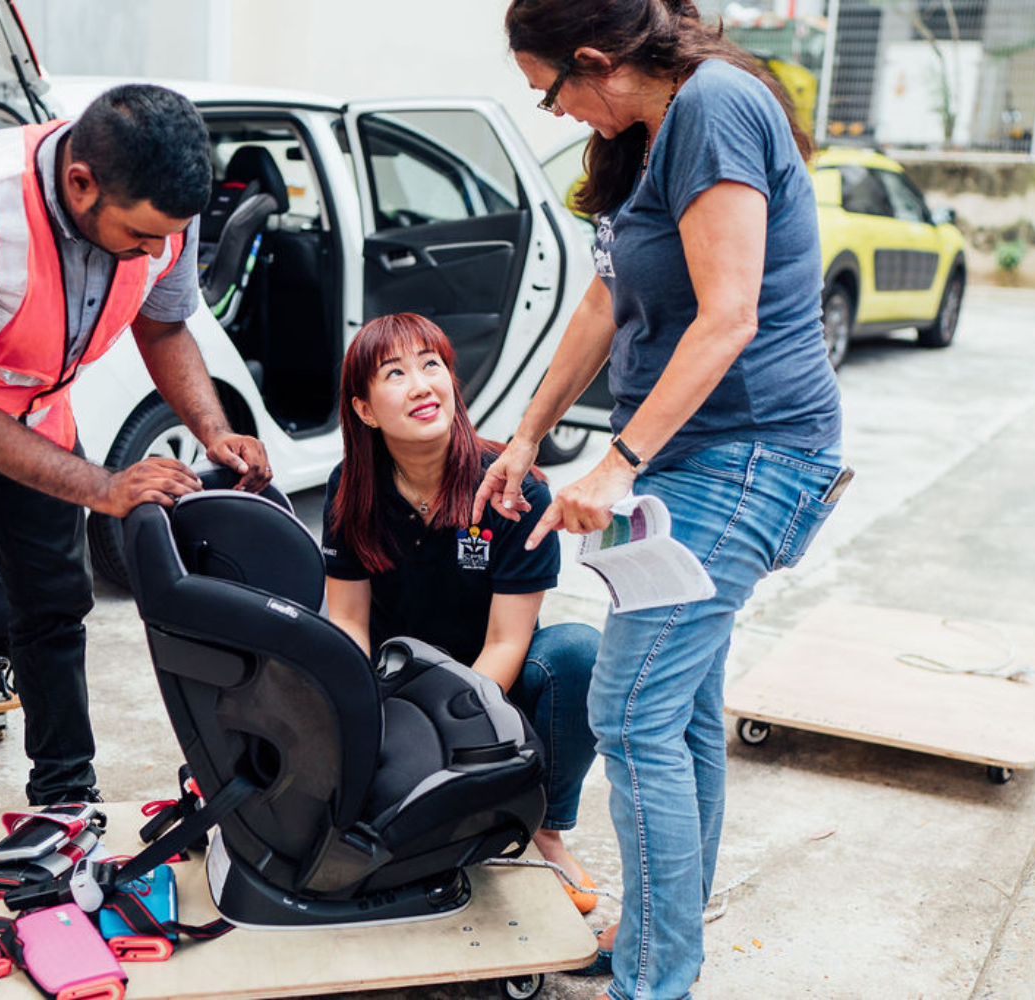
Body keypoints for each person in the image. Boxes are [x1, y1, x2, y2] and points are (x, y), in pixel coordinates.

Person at [0, 84, 271, 954]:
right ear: (79, 184)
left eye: (169, 237)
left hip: (33, 410)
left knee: (54, 607)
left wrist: (217, 429)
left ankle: (65, 796)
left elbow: (166, 323)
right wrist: (105, 486)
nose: (158, 250)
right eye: (143, 234)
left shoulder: (158, 213)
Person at [481, 2, 846, 997]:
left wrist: (618, 460)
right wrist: (526, 433)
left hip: (751, 454)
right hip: (693, 461)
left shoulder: (715, 107)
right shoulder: (649, 133)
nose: (552, 113)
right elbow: (604, 298)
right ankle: (655, 947)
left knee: (630, 709)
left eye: (549, 90)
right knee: (675, 714)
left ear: (593, 61)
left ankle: (655, 978)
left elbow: (728, 316)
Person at [321, 312, 601, 911]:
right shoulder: (350, 487)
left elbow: (506, 641)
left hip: (491, 689)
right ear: (366, 409)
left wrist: (451, 726)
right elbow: (346, 620)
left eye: (432, 365)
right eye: (394, 373)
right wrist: (367, 716)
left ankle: (545, 828)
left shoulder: (514, 491)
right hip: (391, 690)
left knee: (576, 652)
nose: (422, 384)